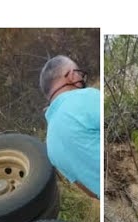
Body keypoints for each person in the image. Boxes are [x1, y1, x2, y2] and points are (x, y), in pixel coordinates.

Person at [39, 54, 101, 199]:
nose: (82, 78)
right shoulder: (87, 97)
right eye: (80, 74)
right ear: (72, 75)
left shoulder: (51, 145)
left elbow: (90, 192)